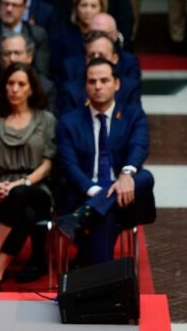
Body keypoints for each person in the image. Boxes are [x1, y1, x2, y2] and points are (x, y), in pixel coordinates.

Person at [55, 58, 155, 265]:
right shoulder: (69, 121)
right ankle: (102, 281)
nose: (98, 86)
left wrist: (126, 175)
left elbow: (139, 147)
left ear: (116, 84)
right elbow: (69, 165)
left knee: (145, 177)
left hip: (126, 199)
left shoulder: (133, 115)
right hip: (86, 194)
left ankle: (82, 219)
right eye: (92, 81)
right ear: (85, 86)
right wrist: (97, 193)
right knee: (106, 215)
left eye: (104, 80)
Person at [0, 63, 56, 291]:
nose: (15, 89)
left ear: (31, 88)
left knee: (20, 196)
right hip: (0, 191)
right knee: (24, 213)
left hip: (36, 188)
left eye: (21, 84)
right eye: (10, 83)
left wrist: (19, 184)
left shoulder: (46, 119)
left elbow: (48, 164)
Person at [0, 34, 56, 121]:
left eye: (17, 53)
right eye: (7, 54)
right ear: (0, 58)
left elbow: (47, 125)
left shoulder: (46, 87)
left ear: (29, 57)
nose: (12, 59)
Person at [57, 33, 142, 114]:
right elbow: (67, 125)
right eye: (91, 56)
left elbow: (134, 122)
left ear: (115, 59)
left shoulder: (129, 89)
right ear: (86, 59)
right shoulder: (71, 91)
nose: (96, 60)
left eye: (102, 56)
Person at [50, 0, 107, 79]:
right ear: (76, 8)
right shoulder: (63, 36)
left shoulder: (107, 35)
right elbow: (55, 70)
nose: (88, 11)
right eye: (84, 5)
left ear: (101, 9)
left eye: (93, 6)